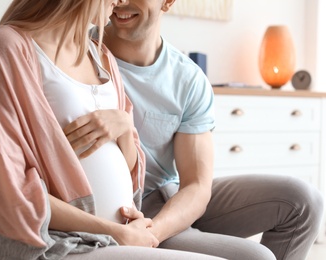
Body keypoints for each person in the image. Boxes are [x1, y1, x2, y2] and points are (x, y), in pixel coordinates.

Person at [0, 0, 224, 259]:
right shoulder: (10, 46)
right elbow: (10, 184)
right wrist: (116, 232)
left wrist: (125, 127)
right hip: (64, 239)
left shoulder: (101, 55)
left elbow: (132, 170)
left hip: (117, 233)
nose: (120, 1)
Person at [91, 0, 323, 259]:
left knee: (303, 201)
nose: (121, 1)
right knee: (256, 256)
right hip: (120, 206)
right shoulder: (75, 51)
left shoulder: (188, 79)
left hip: (166, 200)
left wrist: (151, 231)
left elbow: (196, 186)